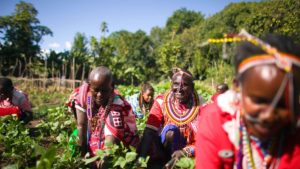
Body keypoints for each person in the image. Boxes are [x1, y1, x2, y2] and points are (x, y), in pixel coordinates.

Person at [195, 33, 300, 169]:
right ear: (237, 87)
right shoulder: (216, 122)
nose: (268, 116)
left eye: (282, 104)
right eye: (259, 101)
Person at [138, 68, 204, 168]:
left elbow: (203, 140)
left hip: (189, 149)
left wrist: (185, 152)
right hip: (164, 146)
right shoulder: (161, 101)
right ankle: (164, 161)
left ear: (192, 87)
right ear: (171, 85)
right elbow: (149, 131)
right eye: (176, 84)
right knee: (171, 131)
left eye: (185, 85)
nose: (179, 89)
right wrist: (141, 159)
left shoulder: (201, 106)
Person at [69, 66, 139, 158]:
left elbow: (113, 136)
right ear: (90, 86)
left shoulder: (117, 103)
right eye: (96, 90)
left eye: (104, 91)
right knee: (74, 139)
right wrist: (83, 158)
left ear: (112, 87)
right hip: (91, 134)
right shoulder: (82, 97)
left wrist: (105, 159)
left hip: (114, 138)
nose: (99, 95)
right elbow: (81, 125)